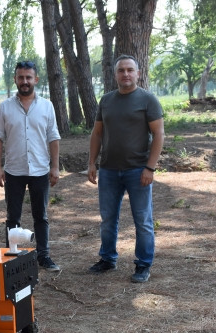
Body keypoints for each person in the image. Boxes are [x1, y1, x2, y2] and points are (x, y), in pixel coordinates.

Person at [87, 54, 165, 283]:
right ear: (115, 75)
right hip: (109, 170)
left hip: (138, 171)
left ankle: (143, 264)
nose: (126, 74)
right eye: (121, 70)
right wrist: (92, 162)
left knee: (143, 221)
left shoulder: (148, 100)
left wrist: (150, 167)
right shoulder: (107, 100)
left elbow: (158, 134)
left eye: (130, 70)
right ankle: (108, 259)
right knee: (108, 219)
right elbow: (97, 133)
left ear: (138, 73)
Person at [0, 61, 61, 272]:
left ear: (35, 80)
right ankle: (12, 256)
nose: (24, 81)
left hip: (40, 169)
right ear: (15, 79)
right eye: (21, 77)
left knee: (41, 216)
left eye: (28, 77)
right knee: (13, 217)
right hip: (14, 170)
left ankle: (44, 256)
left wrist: (55, 166)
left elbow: (53, 137)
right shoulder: (5, 107)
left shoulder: (47, 106)